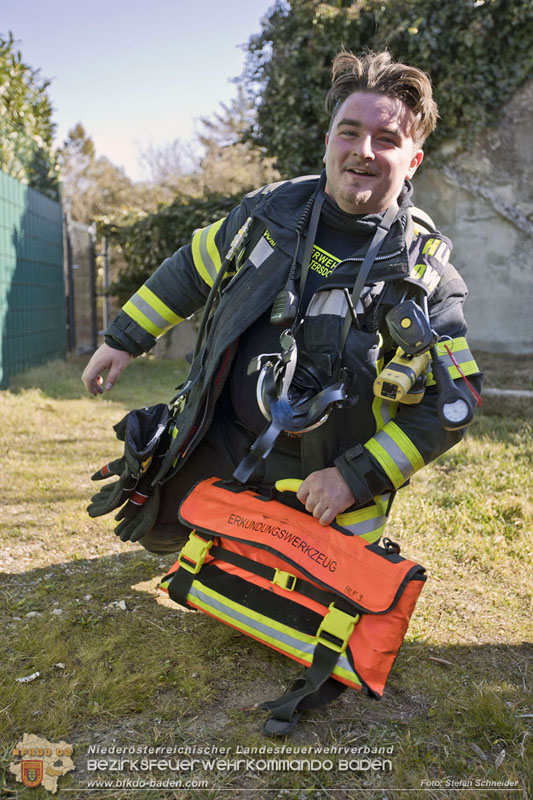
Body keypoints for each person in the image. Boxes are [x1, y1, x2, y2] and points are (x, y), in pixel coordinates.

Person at [82, 50, 482, 553]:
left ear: (412, 162)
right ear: (327, 142)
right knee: (161, 528)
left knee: (287, 607)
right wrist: (122, 340)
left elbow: (455, 400)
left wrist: (352, 479)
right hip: (224, 437)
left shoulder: (426, 275)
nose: (364, 150)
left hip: (323, 485)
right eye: (350, 132)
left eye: (387, 140)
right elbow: (191, 268)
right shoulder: (269, 214)